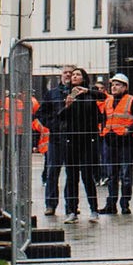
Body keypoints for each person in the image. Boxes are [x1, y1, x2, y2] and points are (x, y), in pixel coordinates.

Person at [55, 67, 103, 220]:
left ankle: (94, 209)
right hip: (71, 140)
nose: (74, 76)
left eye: (78, 74)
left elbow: (104, 96)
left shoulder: (89, 94)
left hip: (88, 140)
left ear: (83, 78)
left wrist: (87, 91)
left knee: (87, 175)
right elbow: (59, 116)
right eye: (73, 74)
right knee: (71, 176)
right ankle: (71, 210)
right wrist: (67, 106)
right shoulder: (66, 94)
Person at [40, 65, 85, 219]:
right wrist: (53, 125)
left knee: (72, 174)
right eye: (65, 72)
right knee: (53, 171)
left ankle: (71, 207)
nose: (68, 75)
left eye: (71, 73)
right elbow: (41, 113)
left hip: (73, 139)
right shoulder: (52, 94)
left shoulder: (81, 94)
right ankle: (50, 205)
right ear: (61, 75)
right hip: (56, 139)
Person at [98, 72, 133, 213]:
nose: (114, 87)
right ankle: (111, 204)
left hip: (125, 142)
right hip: (110, 141)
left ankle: (125, 204)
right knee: (111, 175)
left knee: (125, 175)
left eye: (117, 84)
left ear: (125, 87)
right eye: (113, 84)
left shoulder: (132, 100)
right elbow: (104, 118)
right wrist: (104, 131)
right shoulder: (108, 101)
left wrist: (130, 129)